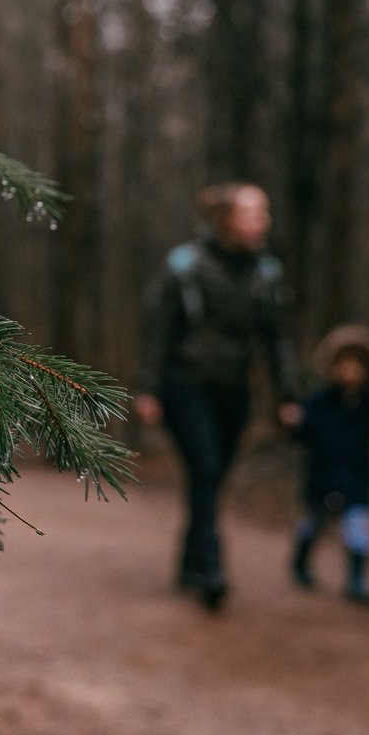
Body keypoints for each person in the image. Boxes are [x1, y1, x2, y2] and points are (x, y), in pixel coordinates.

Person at [134, 183, 298, 609]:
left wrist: (288, 394)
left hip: (234, 390)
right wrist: (148, 388)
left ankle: (190, 559)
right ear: (225, 220)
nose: (261, 222)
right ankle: (211, 567)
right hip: (184, 384)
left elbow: (278, 339)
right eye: (251, 214)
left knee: (212, 476)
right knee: (205, 467)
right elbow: (158, 329)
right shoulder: (186, 266)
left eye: (263, 214)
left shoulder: (267, 273)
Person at [287, 325, 369, 604]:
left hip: (356, 480)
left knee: (359, 529)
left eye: (357, 365)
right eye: (344, 365)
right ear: (333, 366)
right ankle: (302, 558)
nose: (351, 371)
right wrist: (292, 424)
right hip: (322, 478)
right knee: (314, 523)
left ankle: (357, 579)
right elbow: (301, 434)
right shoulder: (318, 403)